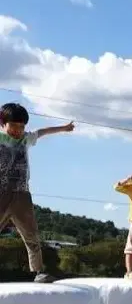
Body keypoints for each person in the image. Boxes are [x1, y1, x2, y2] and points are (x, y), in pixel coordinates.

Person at [0, 102, 74, 283]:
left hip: (22, 195)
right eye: (13, 126)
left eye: (21, 126)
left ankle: (38, 272)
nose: (18, 130)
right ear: (3, 123)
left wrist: (64, 128)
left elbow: (43, 132)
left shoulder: (26, 138)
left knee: (31, 235)